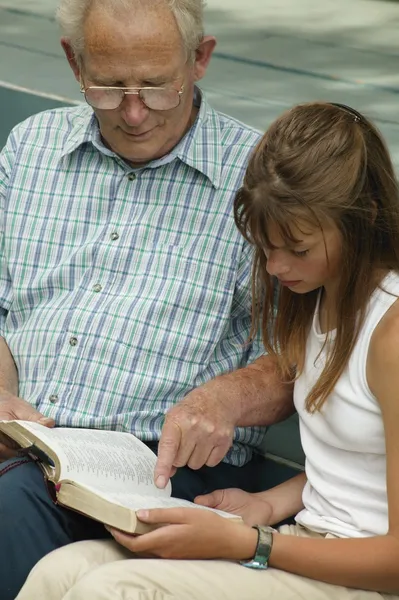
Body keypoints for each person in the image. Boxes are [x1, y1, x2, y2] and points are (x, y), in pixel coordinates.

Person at [17, 100, 399, 600]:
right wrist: (265, 505)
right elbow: (359, 469)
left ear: (362, 217)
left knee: (116, 588)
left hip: (357, 576)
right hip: (303, 538)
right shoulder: (321, 301)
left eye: (297, 248)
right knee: (60, 571)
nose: (277, 267)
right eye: (265, 248)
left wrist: (250, 543)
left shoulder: (390, 336)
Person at [0, 0, 295, 598]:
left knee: (10, 504)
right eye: (109, 89)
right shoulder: (30, 148)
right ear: (73, 63)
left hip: (163, 470)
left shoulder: (264, 176)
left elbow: (297, 359)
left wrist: (227, 398)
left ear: (200, 60)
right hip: (28, 445)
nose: (134, 114)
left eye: (158, 89)